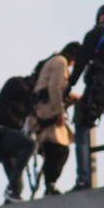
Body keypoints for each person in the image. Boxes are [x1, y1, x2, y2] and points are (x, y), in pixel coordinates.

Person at [67, 3, 104, 190]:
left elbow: (81, 62)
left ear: (101, 16)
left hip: (97, 92)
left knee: (82, 130)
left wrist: (69, 85)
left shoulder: (95, 34)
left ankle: (83, 179)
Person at [30, 42, 81, 196]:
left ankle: (49, 185)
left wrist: (72, 98)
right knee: (60, 149)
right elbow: (54, 87)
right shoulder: (61, 62)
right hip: (49, 110)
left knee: (54, 149)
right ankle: (50, 185)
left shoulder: (55, 61)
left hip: (44, 107)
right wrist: (59, 112)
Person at [0, 74, 36, 204]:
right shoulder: (16, 83)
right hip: (1, 134)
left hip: (9, 140)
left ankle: (10, 197)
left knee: (17, 188)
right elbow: (26, 94)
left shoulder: (27, 103)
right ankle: (11, 192)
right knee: (29, 144)